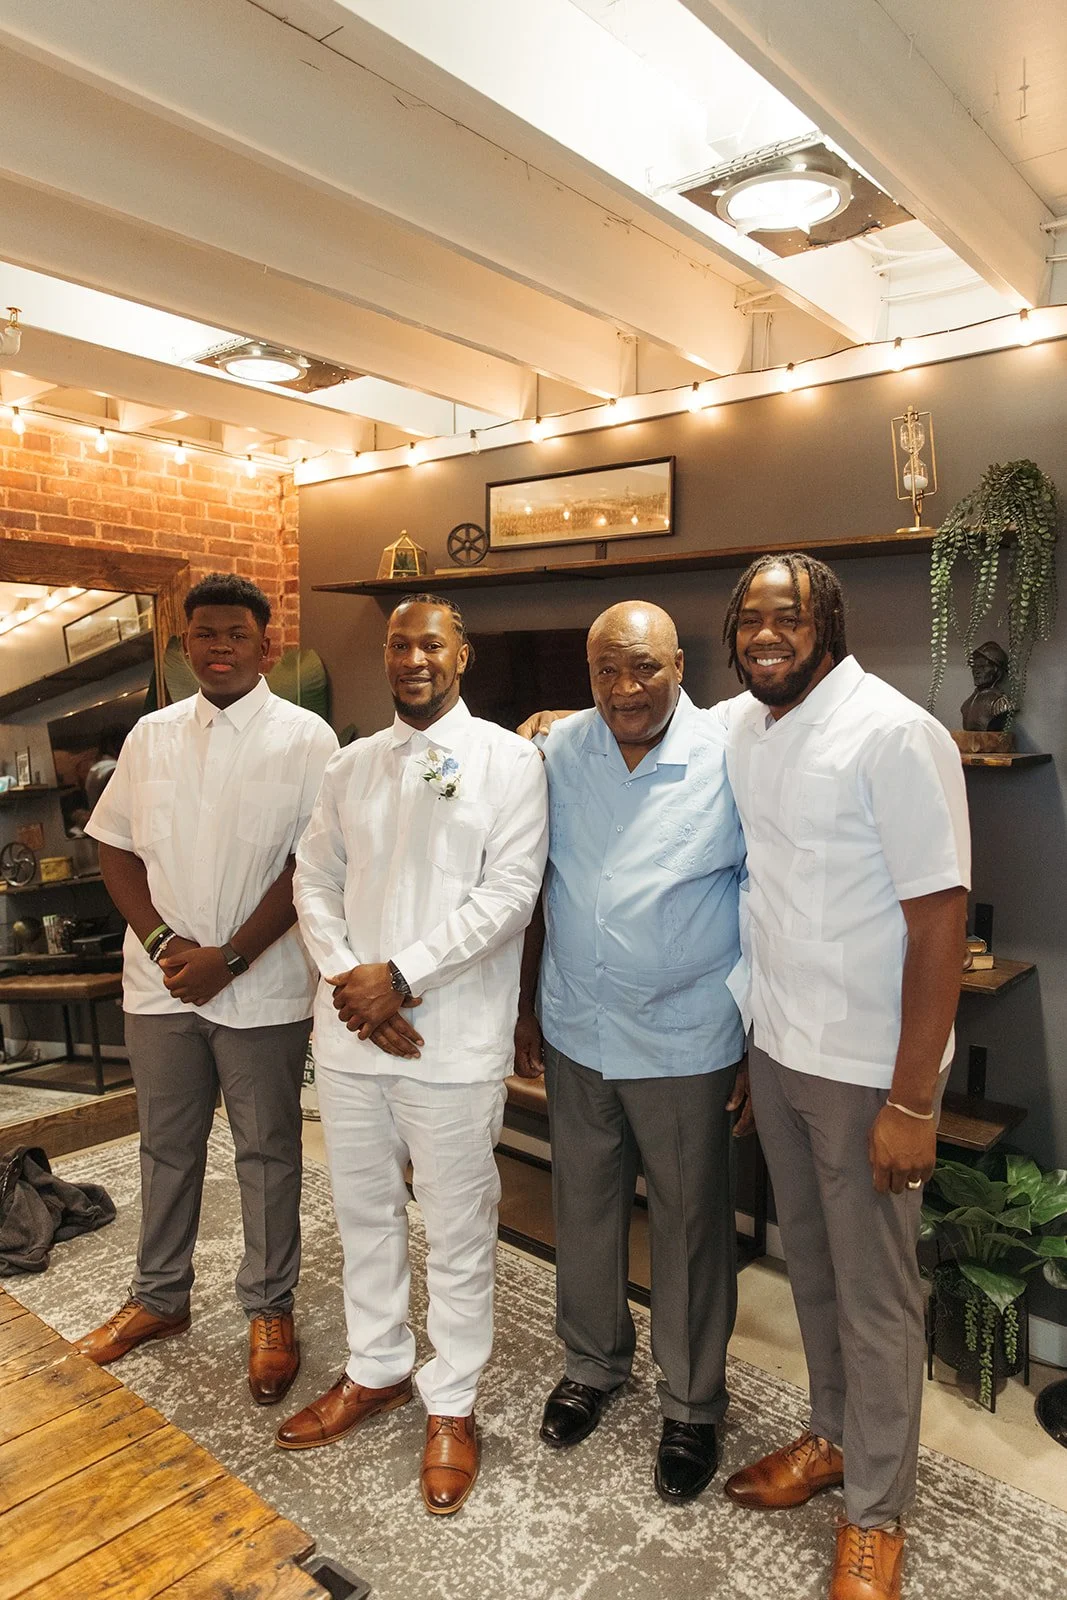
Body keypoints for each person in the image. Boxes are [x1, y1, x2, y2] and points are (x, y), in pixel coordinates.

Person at [719, 554, 969, 1600]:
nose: (762, 634)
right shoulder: (743, 726)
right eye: (747, 619)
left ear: (827, 622)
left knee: (873, 1296)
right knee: (808, 1268)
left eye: (785, 616)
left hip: (868, 1067)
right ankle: (829, 1435)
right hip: (777, 1047)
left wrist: (911, 1099)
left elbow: (938, 921)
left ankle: (877, 1510)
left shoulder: (896, 733)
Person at [275, 595, 548, 1516]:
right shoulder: (349, 766)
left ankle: (453, 1399)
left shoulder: (511, 762)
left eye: (430, 642)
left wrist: (399, 975)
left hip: (452, 1040)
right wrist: (354, 980)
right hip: (353, 1037)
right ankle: (378, 1365)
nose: (413, 658)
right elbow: (313, 877)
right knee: (362, 1216)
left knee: (460, 1228)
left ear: (460, 654)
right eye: (398, 645)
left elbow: (509, 893)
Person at [75, 573, 338, 1407]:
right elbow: (113, 848)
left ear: (267, 647)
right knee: (167, 1145)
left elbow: (311, 865)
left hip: (258, 985)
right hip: (158, 986)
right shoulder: (150, 736)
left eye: (235, 634)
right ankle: (159, 1297)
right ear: (183, 648)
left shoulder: (309, 739)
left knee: (267, 1150)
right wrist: (162, 943)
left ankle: (269, 1307)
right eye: (204, 634)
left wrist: (229, 957)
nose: (218, 646)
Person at [515, 601, 748, 1504]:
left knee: (690, 1224)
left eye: (643, 667)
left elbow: (759, 894)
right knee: (583, 1201)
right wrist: (530, 1005)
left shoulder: (730, 754)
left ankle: (691, 1404)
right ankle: (593, 1363)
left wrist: (755, 1041)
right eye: (607, 669)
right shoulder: (557, 747)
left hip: (685, 1035)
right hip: (577, 1023)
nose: (625, 688)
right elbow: (536, 882)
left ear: (680, 665)